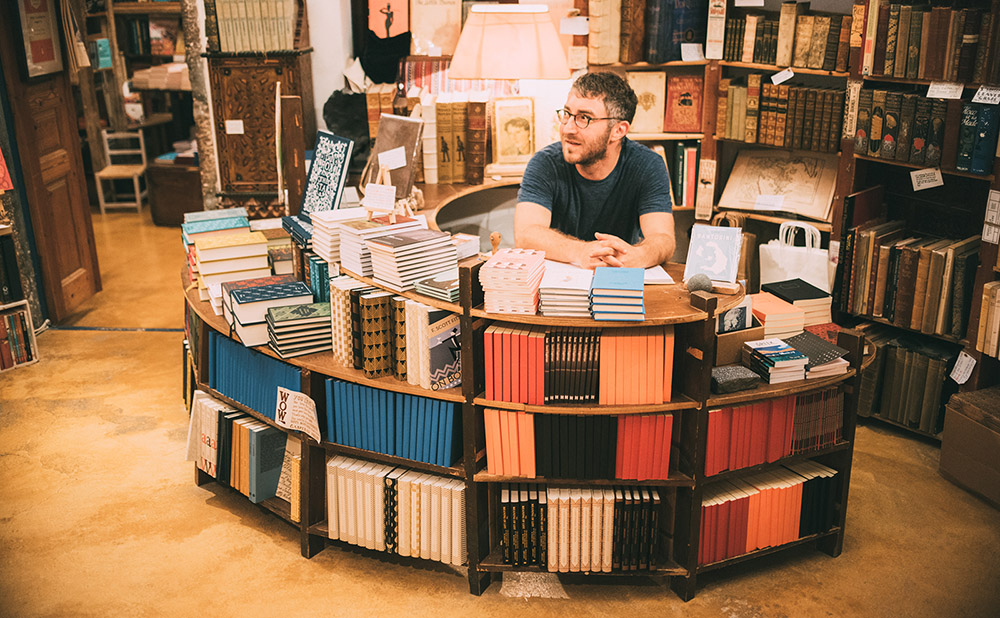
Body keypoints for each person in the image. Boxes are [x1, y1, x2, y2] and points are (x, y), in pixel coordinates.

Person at [514, 72, 676, 270]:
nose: (567, 129)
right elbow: (526, 234)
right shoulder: (545, 163)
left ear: (618, 131)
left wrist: (638, 255)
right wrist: (582, 251)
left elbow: (664, 239)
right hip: (562, 278)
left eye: (584, 118)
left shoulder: (647, 165)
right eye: (567, 114)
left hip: (619, 276)